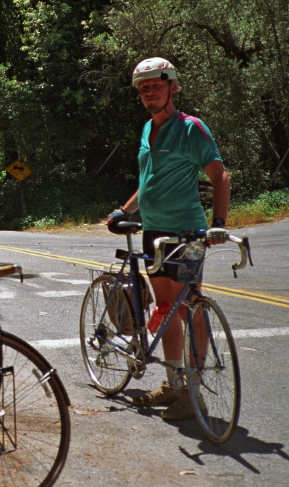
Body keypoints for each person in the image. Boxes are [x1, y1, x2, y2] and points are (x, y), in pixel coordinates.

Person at [107, 57, 230, 421]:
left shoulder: (190, 128)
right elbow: (148, 185)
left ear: (172, 87)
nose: (148, 92)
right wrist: (124, 210)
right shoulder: (147, 130)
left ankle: (194, 392)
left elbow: (220, 177)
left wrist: (217, 223)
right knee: (166, 308)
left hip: (187, 231)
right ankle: (173, 383)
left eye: (155, 86)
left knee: (191, 304)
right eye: (143, 88)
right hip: (153, 231)